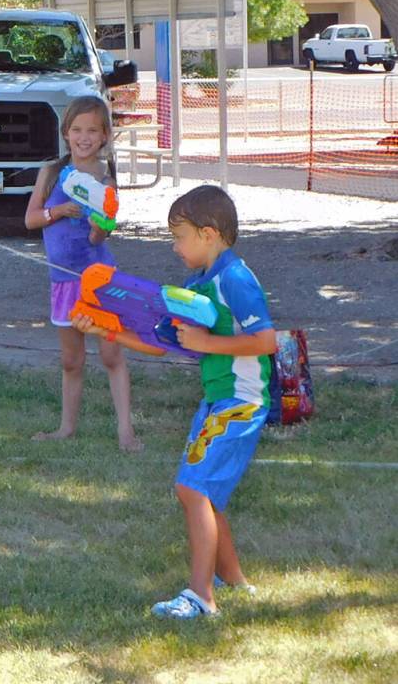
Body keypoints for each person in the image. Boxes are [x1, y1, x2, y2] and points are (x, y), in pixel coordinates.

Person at [73, 184, 276, 619]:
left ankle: (201, 597)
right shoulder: (196, 284)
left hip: (241, 402)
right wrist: (105, 331)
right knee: (208, 494)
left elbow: (266, 340)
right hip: (217, 400)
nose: (174, 246)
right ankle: (234, 580)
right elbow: (165, 345)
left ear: (208, 234)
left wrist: (206, 340)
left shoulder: (234, 278)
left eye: (179, 236)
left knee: (192, 488)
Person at [24, 96, 142, 451]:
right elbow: (30, 220)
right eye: (77, 130)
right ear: (66, 133)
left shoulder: (106, 180)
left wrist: (98, 227)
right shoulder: (50, 173)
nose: (84, 137)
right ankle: (66, 428)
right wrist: (58, 211)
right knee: (71, 360)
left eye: (92, 130)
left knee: (111, 356)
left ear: (105, 135)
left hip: (99, 279)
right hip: (63, 283)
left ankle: (126, 432)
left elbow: (100, 236)